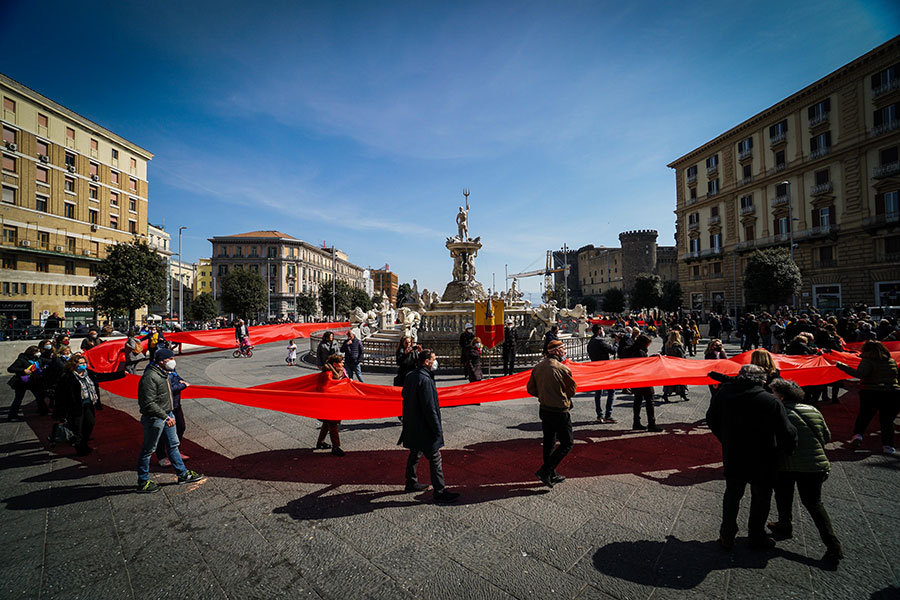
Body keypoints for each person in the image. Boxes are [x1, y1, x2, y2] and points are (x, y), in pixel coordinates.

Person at [706, 364, 797, 550]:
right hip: (763, 456)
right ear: (762, 380)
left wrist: (724, 438)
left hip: (734, 453)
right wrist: (787, 449)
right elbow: (787, 431)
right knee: (761, 497)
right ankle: (756, 535)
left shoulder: (724, 394)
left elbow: (711, 419)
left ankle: (727, 534)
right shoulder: (770, 401)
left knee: (732, 494)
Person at [767, 378, 843, 562]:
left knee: (783, 495)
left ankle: (785, 524)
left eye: (773, 392)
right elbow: (826, 436)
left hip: (786, 464)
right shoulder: (813, 410)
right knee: (814, 503)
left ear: (781, 396)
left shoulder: (779, 412)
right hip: (814, 465)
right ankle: (833, 545)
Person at [136, 348, 205, 493]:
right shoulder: (150, 377)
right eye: (171, 359)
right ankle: (143, 481)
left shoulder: (164, 373)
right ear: (162, 361)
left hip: (168, 414)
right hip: (156, 418)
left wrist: (169, 414)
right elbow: (148, 403)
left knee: (173, 445)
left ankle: (182, 474)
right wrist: (165, 416)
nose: (173, 361)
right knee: (148, 450)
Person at [400, 349, 459, 503]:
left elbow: (404, 396)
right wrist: (437, 429)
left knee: (415, 453)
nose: (435, 362)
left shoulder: (411, 375)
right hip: (424, 426)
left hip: (413, 423)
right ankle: (439, 491)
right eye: (434, 359)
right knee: (435, 458)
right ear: (426, 362)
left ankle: (411, 482)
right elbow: (430, 408)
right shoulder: (425, 380)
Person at [527, 339, 577, 487]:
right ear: (557, 351)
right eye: (564, 349)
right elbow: (571, 391)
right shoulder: (562, 369)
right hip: (560, 410)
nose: (565, 352)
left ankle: (551, 473)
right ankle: (546, 470)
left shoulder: (538, 367)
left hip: (544, 409)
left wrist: (544, 395)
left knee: (549, 442)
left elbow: (531, 389)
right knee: (567, 443)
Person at [835, 340, 900, 455]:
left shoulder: (868, 361)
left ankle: (858, 436)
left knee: (865, 415)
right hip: (891, 392)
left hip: (871, 391)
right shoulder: (891, 361)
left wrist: (841, 366)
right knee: (887, 420)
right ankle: (888, 445)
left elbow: (860, 374)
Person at [53, 353, 124, 456]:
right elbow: (60, 394)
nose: (83, 365)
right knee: (78, 428)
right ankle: (80, 447)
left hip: (88, 405)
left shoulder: (89, 374)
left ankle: (83, 443)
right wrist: (60, 411)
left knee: (90, 424)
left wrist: (121, 374)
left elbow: (103, 376)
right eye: (80, 363)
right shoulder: (68, 377)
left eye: (84, 363)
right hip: (75, 407)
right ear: (74, 365)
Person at [155, 363, 191, 466]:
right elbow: (166, 389)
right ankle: (161, 456)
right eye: (170, 358)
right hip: (164, 407)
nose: (172, 361)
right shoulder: (155, 372)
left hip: (175, 404)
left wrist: (181, 382)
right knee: (162, 432)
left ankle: (176, 452)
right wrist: (183, 385)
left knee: (180, 427)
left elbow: (177, 378)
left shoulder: (170, 368)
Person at [625, 334, 662, 431]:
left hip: (635, 379)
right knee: (650, 400)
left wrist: (651, 357)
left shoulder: (632, 350)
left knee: (637, 400)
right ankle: (651, 423)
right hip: (643, 379)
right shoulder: (640, 352)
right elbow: (644, 364)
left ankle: (636, 422)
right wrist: (652, 359)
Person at [314, 353, 347, 456]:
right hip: (327, 402)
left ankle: (320, 442)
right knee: (332, 423)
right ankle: (336, 447)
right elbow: (325, 388)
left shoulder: (341, 371)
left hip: (335, 401)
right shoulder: (327, 373)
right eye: (341, 362)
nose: (343, 364)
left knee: (327, 422)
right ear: (335, 364)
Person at [587, 324, 617, 423]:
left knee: (598, 392)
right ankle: (608, 415)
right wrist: (616, 343)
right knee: (611, 391)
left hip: (596, 369)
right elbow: (613, 351)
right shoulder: (600, 341)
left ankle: (599, 415)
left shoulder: (591, 342)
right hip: (605, 369)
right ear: (599, 331)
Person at [6, 345, 43, 421]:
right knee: (18, 398)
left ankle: (42, 410)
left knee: (39, 396)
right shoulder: (22, 360)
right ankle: (12, 415)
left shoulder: (37, 359)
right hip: (22, 382)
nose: (39, 353)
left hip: (33, 381)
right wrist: (23, 370)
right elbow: (10, 369)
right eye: (37, 352)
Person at [662, 331, 689, 402]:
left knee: (669, 380)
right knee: (681, 379)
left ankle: (665, 394)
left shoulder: (667, 344)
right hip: (678, 364)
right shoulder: (677, 345)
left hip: (670, 364)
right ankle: (682, 393)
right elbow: (681, 355)